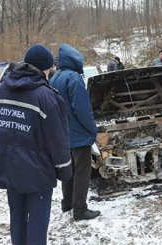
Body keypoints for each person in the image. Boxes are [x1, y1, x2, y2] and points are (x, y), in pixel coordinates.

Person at [0, 44, 72, 244]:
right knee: (37, 222)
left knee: (16, 218)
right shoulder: (46, 96)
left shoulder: (1, 90)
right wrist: (64, 170)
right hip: (37, 173)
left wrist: (2, 150)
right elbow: (57, 139)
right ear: (44, 68)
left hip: (8, 166)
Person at [50, 43, 101, 221]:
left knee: (68, 171)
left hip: (63, 134)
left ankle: (67, 203)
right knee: (82, 172)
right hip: (79, 135)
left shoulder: (55, 78)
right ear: (74, 60)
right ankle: (80, 209)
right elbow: (82, 109)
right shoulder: (74, 78)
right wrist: (92, 130)